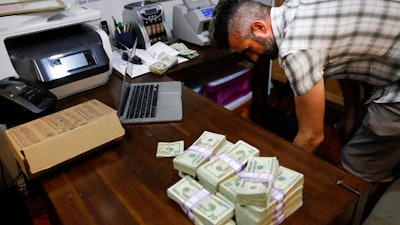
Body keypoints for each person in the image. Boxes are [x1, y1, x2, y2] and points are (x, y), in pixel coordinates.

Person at [209, 0, 400, 187]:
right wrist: (350, 111)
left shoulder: (296, 50)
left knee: (356, 165)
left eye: (249, 49)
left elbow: (312, 136)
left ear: (259, 27)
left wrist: (274, 179)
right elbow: (346, 56)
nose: (254, 58)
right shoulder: (295, 5)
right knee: (365, 131)